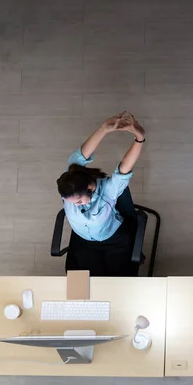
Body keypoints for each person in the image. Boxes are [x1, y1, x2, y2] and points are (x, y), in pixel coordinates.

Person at [56, 112, 146, 276]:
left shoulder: (108, 191)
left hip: (114, 240)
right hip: (82, 240)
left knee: (114, 286)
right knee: (79, 292)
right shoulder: (70, 178)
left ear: (90, 188)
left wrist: (139, 138)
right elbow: (81, 155)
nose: (74, 205)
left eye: (78, 202)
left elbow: (124, 168)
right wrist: (104, 128)